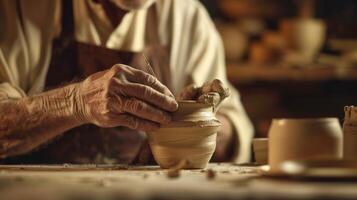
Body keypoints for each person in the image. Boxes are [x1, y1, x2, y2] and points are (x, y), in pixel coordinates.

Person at [0, 0, 253, 164]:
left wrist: (196, 123)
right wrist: (74, 103)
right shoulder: (19, 8)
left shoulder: (186, 16)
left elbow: (234, 131)